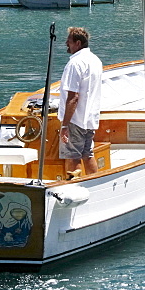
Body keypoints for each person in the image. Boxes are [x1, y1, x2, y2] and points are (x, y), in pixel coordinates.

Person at [58, 27, 103, 177]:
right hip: (90, 117)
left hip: (75, 119)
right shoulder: (95, 60)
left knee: (73, 156)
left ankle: (74, 187)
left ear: (77, 43)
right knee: (87, 154)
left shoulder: (75, 64)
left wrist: (65, 125)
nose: (66, 44)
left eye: (69, 41)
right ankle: (94, 183)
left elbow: (73, 97)